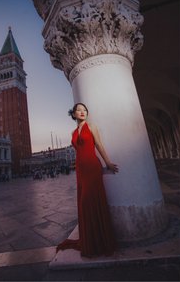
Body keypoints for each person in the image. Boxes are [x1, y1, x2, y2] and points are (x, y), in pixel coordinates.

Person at [57, 102, 118, 257]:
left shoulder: (91, 127)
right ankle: (91, 239)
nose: (83, 112)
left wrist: (108, 162)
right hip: (80, 169)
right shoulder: (72, 132)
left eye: (85, 110)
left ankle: (99, 241)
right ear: (74, 114)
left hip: (92, 166)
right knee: (84, 204)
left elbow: (99, 145)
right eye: (79, 110)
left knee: (88, 201)